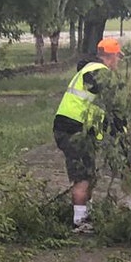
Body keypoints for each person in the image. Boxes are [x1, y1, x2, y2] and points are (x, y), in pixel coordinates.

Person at [53, 37, 119, 233]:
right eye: (118, 57)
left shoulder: (91, 69)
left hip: (77, 130)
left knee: (89, 174)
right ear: (112, 56)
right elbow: (100, 91)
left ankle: (84, 214)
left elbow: (98, 107)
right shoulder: (97, 72)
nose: (118, 62)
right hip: (72, 130)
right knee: (82, 176)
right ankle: (79, 222)